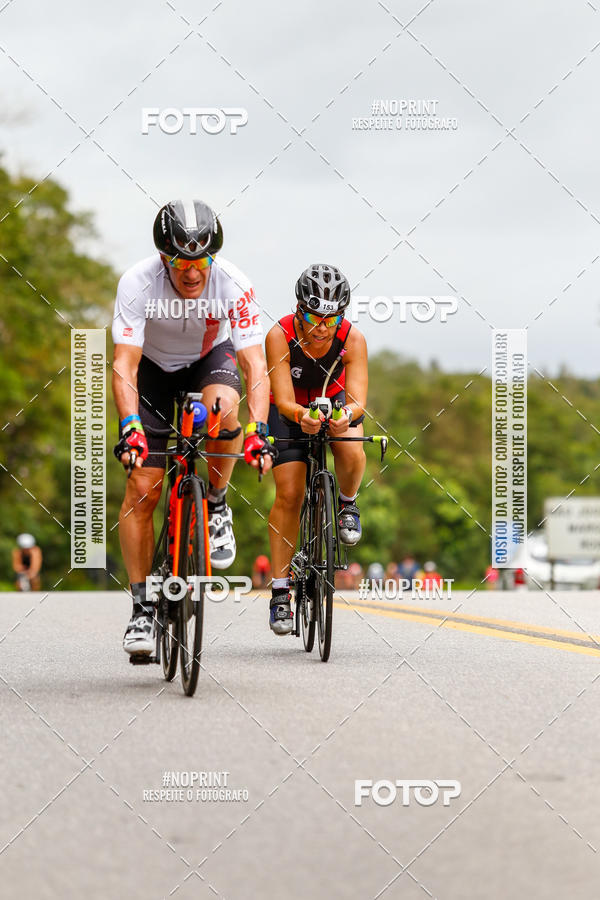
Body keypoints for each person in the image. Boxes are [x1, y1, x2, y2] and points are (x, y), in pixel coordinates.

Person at [111, 199, 272, 656]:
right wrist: (130, 426)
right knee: (143, 489)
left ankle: (217, 504)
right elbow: (124, 363)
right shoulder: (138, 282)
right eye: (182, 260)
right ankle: (142, 610)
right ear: (166, 256)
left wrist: (260, 428)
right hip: (153, 373)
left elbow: (253, 363)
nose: (192, 272)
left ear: (212, 257)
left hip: (208, 361)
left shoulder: (234, 284)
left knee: (223, 412)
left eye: (201, 260)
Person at [265, 263, 368, 635]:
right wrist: (300, 416)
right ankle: (280, 594)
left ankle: (346, 503)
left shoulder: (352, 339)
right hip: (291, 408)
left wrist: (346, 417)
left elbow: (358, 400)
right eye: (313, 316)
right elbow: (282, 400)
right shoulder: (279, 334)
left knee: (352, 447)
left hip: (334, 400)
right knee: (289, 493)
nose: (322, 326)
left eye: (331, 317)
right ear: (298, 309)